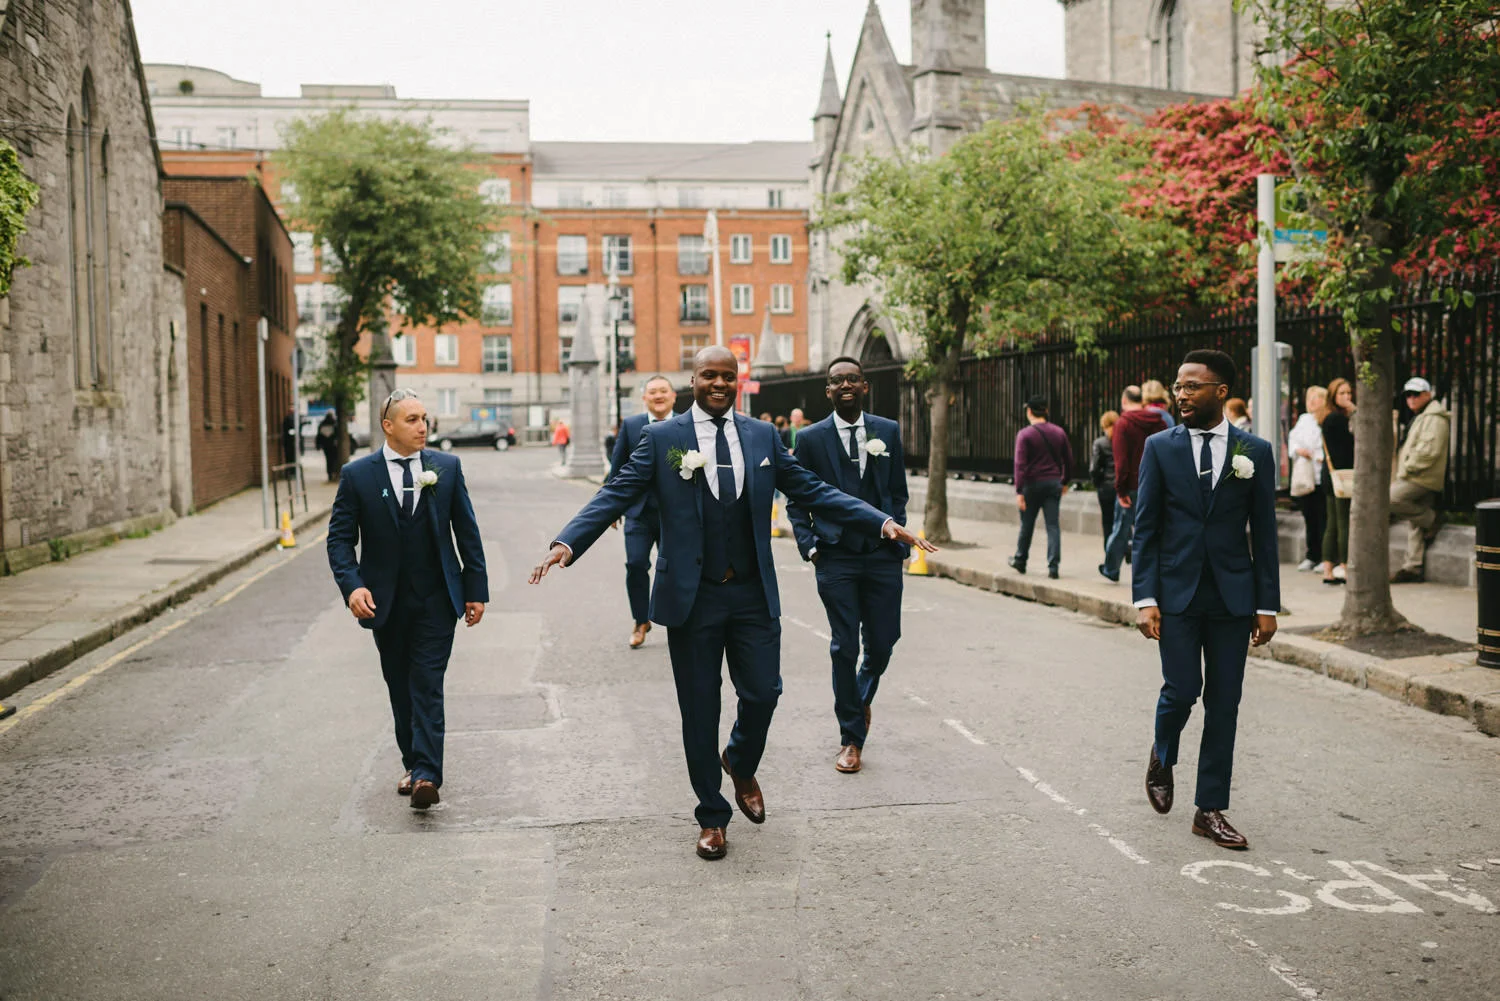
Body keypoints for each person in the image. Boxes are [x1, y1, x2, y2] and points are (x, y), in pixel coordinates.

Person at [529, 347, 934, 861]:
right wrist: (567, 544)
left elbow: (812, 489)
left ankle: (740, 759)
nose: (719, 384)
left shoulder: (762, 435)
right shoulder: (662, 438)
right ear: (691, 380)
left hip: (751, 593)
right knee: (699, 709)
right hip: (691, 599)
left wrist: (880, 521)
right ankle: (711, 816)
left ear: (737, 381)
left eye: (728, 376)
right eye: (709, 376)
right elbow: (614, 494)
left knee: (764, 693)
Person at [1135, 350, 1279, 851]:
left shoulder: (1255, 452)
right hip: (1175, 593)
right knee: (1180, 690)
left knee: (1225, 703)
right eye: (1178, 385)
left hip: (1233, 596)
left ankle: (1210, 809)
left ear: (1221, 392)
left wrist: (1268, 605)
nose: (1181, 394)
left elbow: (1264, 534)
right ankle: (1162, 754)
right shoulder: (1160, 447)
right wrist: (1145, 597)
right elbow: (1145, 529)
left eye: (1192, 386)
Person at [326, 389, 488, 811]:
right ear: (388, 426)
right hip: (385, 603)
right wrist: (352, 586)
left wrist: (476, 591)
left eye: (425, 419)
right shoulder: (358, 475)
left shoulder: (446, 468)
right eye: (413, 419)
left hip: (437, 599)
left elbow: (467, 533)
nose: (423, 427)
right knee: (400, 686)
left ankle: (427, 775)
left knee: (427, 684)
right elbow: (340, 540)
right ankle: (413, 763)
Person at [785, 357, 910, 774]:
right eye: (837, 381)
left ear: (865, 386)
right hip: (835, 555)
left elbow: (897, 492)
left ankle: (859, 698)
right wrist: (811, 547)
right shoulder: (810, 439)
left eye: (852, 379)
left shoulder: (887, 431)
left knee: (884, 640)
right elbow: (797, 498)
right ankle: (851, 738)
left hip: (881, 556)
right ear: (828, 391)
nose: (845, 386)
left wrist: (898, 538)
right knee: (844, 646)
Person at [608, 375, 677, 649]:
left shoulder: (687, 423)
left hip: (674, 514)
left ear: (673, 396)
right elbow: (618, 466)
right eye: (652, 392)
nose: (658, 396)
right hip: (638, 512)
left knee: (674, 569)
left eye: (663, 391)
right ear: (644, 398)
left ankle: (677, 621)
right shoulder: (632, 425)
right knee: (636, 564)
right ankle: (641, 620)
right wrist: (613, 507)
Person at [1099, 386, 1167, 582]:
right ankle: (1152, 572)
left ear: (1124, 401)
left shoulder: (1123, 424)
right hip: (1154, 485)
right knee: (1151, 530)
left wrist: (1120, 490)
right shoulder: (1159, 422)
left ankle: (1111, 569)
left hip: (1132, 487)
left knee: (1121, 528)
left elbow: (1121, 462)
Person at [1390, 377, 1451, 583]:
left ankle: (1433, 519)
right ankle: (1413, 567)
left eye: (1416, 394)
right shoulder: (1423, 416)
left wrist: (1406, 468)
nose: (1411, 399)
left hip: (1421, 478)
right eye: (1408, 395)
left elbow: (1428, 452)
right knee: (1415, 524)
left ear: (1428, 394)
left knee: (1391, 499)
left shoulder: (1434, 418)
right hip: (1418, 475)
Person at [1008, 396, 1073, 579]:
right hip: (1053, 483)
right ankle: (1053, 566)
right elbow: (1068, 460)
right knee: (1053, 525)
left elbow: (1020, 465)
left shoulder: (1025, 434)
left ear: (1029, 411)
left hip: (1031, 485)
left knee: (1027, 524)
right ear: (1045, 411)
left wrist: (1019, 490)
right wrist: (1065, 481)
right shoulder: (1059, 433)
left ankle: (1020, 560)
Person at [1318, 379, 1355, 585]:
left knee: (1332, 522)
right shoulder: (1337, 419)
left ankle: (1327, 570)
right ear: (1333, 396)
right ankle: (1345, 567)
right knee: (1342, 522)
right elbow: (1350, 447)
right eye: (1342, 393)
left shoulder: (1327, 418)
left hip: (1330, 475)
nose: (1347, 397)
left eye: (1349, 393)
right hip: (1342, 476)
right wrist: (1355, 412)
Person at [1286, 386, 1327, 572]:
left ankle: (1324, 557)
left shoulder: (1325, 420)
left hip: (1320, 475)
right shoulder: (1304, 419)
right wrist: (1298, 450)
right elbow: (1293, 440)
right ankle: (1312, 555)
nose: (1311, 402)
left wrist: (1315, 454)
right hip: (1306, 476)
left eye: (1316, 398)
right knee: (1309, 517)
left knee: (1323, 518)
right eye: (1309, 398)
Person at [1091, 411, 1119, 550]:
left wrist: (1097, 483)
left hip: (1106, 488)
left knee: (1107, 521)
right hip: (1122, 486)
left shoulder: (1100, 443)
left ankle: (1109, 550)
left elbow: (1094, 468)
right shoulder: (1124, 441)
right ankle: (1127, 547)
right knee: (1123, 519)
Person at [315, 412, 341, 482]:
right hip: (333, 445)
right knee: (334, 459)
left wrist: (318, 445)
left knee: (328, 460)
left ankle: (330, 473)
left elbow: (318, 436)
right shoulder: (334, 424)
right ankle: (333, 472)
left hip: (326, 446)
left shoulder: (322, 424)